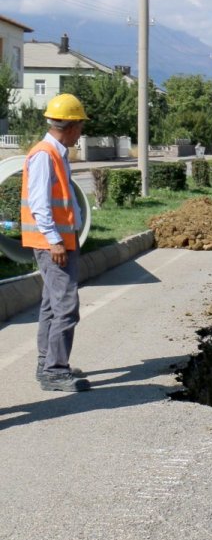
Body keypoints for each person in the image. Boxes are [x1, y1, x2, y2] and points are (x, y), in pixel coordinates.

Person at [21, 93, 91, 392]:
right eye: (80, 125)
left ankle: (47, 362)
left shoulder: (56, 153)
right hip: (54, 244)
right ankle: (54, 370)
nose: (81, 132)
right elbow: (39, 205)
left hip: (61, 240)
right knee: (66, 306)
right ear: (72, 125)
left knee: (51, 305)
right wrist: (55, 242)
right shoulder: (44, 155)